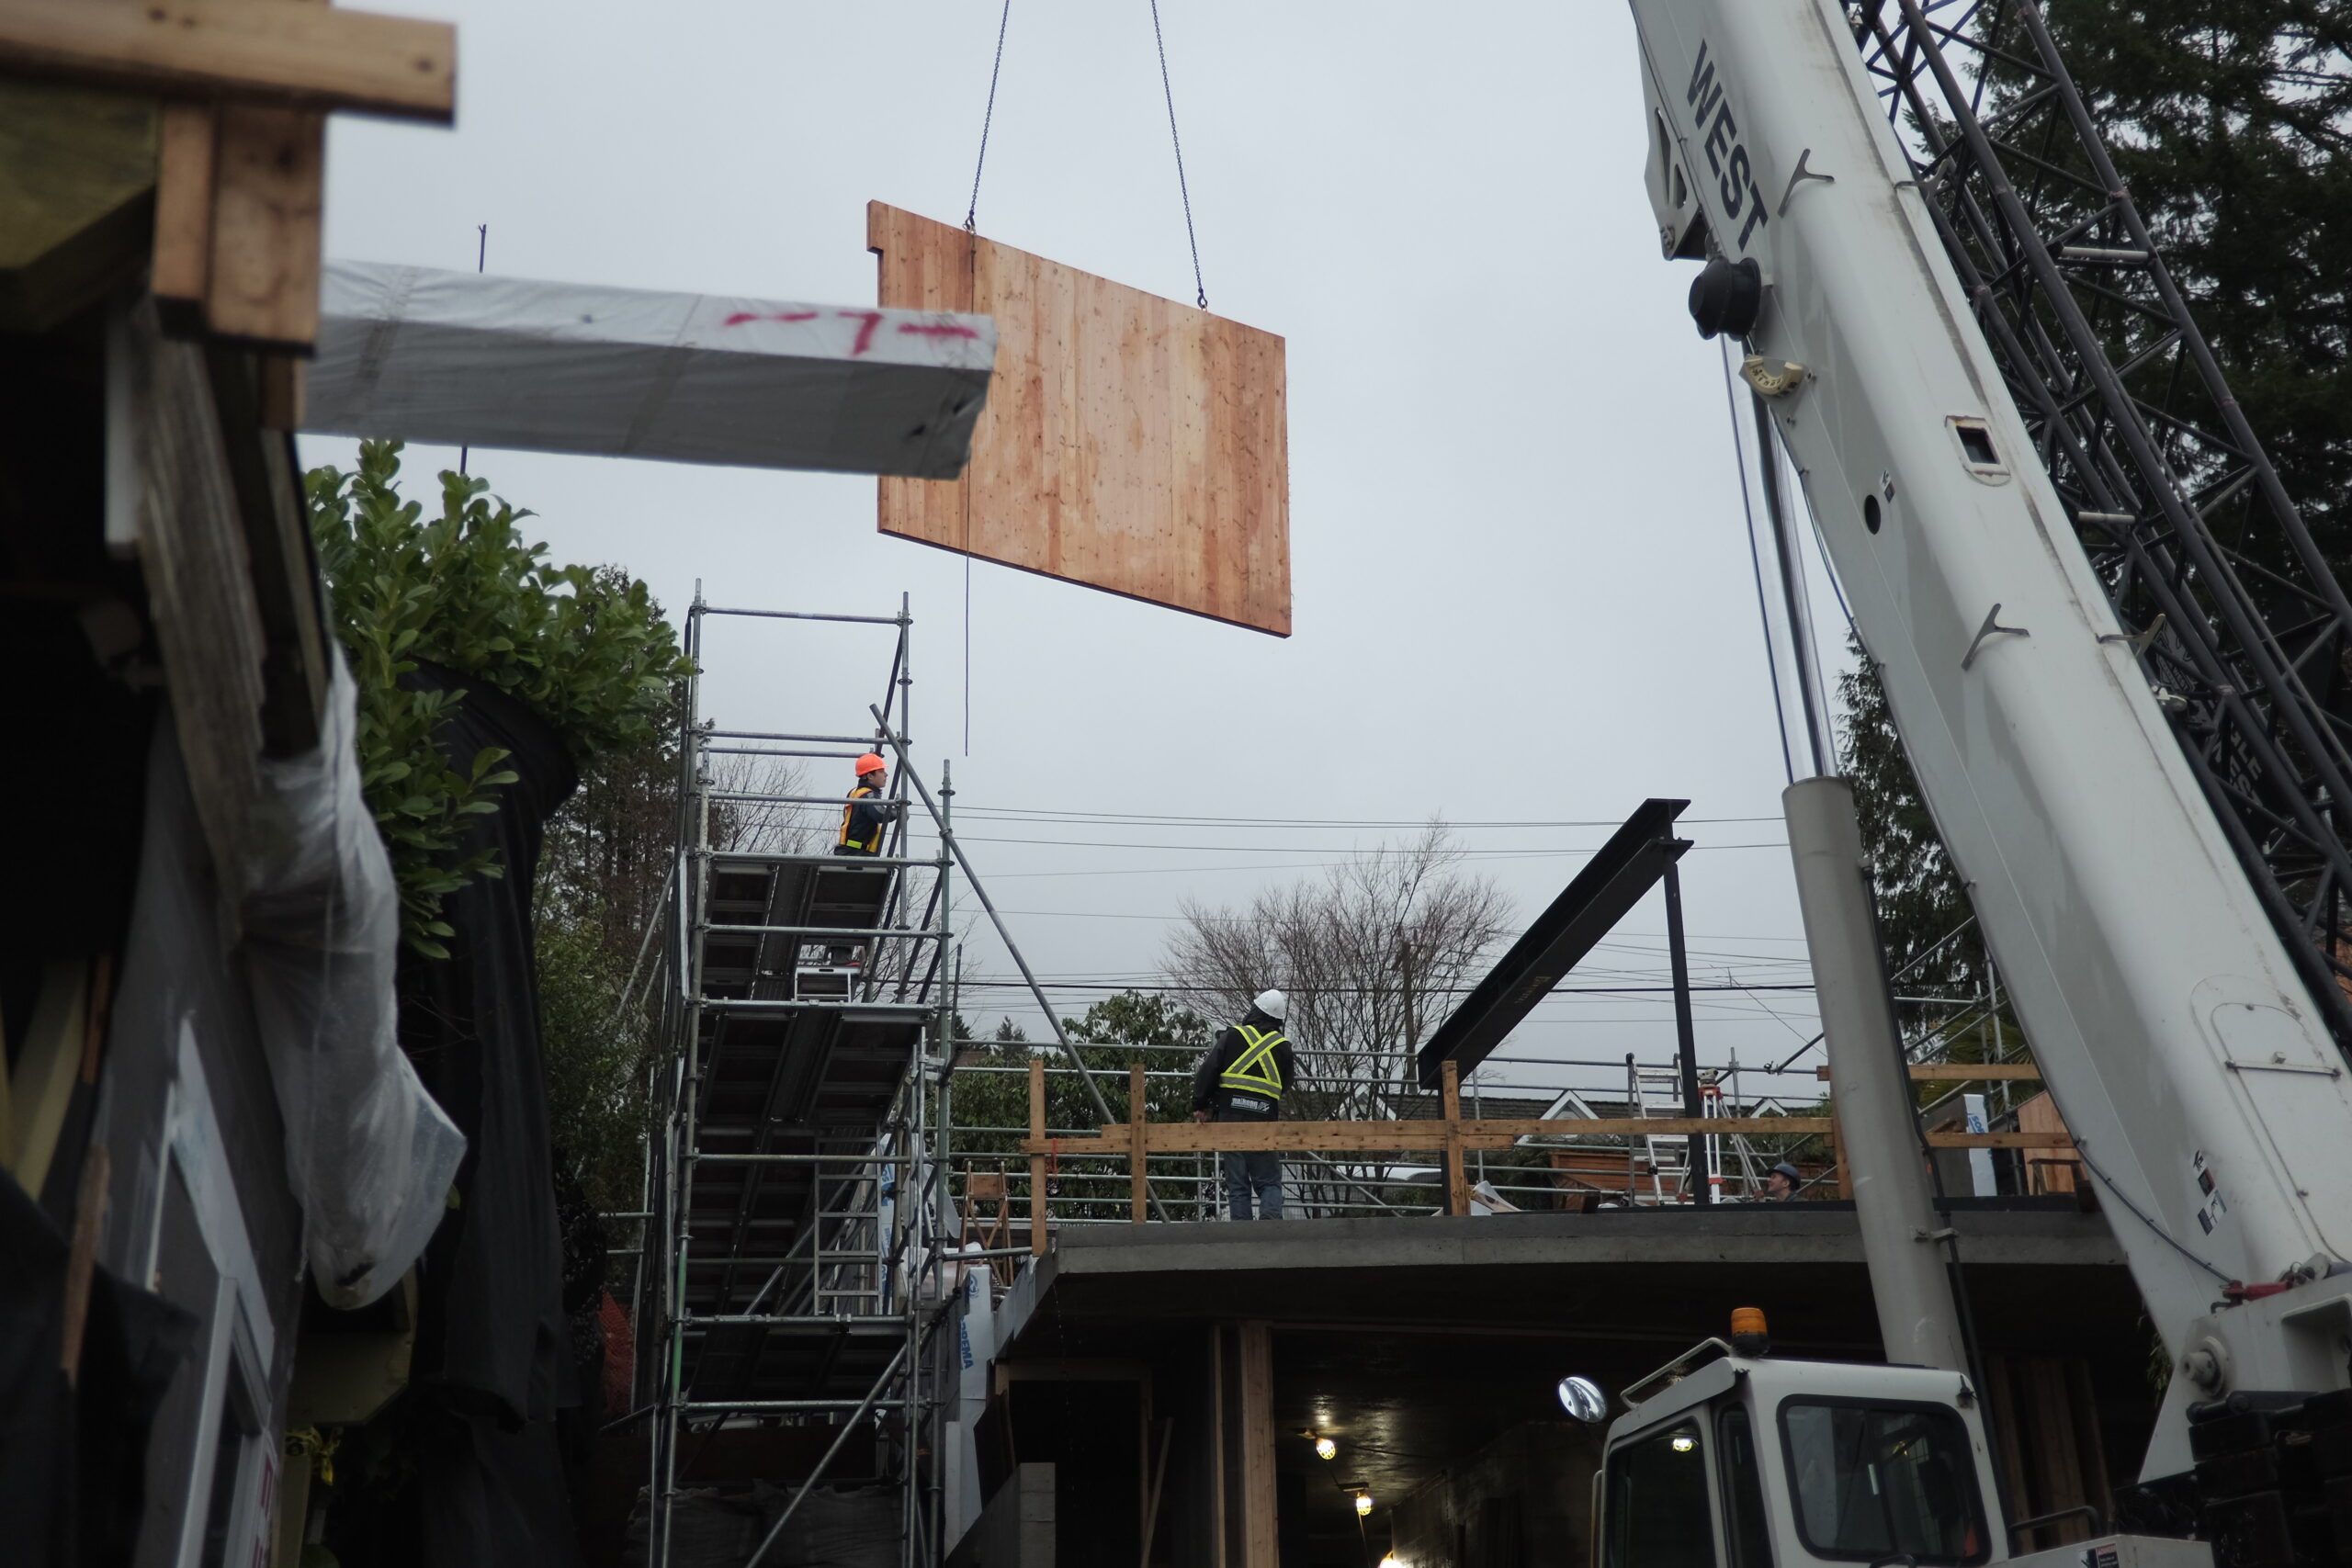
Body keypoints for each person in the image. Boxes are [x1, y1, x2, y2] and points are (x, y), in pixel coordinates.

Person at [1193, 990, 1295, 1220]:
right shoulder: (1283, 1047)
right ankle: (1270, 1226)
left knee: (1238, 1186)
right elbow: (1286, 1084)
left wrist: (1202, 1103)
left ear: (1255, 1010)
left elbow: (1208, 1071)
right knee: (1269, 1182)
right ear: (1278, 1019)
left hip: (1231, 1119)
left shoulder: (1232, 1036)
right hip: (1264, 1120)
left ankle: (1243, 1239)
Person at [835, 753, 889, 856]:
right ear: (870, 776)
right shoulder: (867, 795)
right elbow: (880, 814)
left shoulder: (855, 792)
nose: (886, 775)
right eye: (881, 771)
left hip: (849, 850)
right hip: (856, 853)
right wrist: (897, 811)